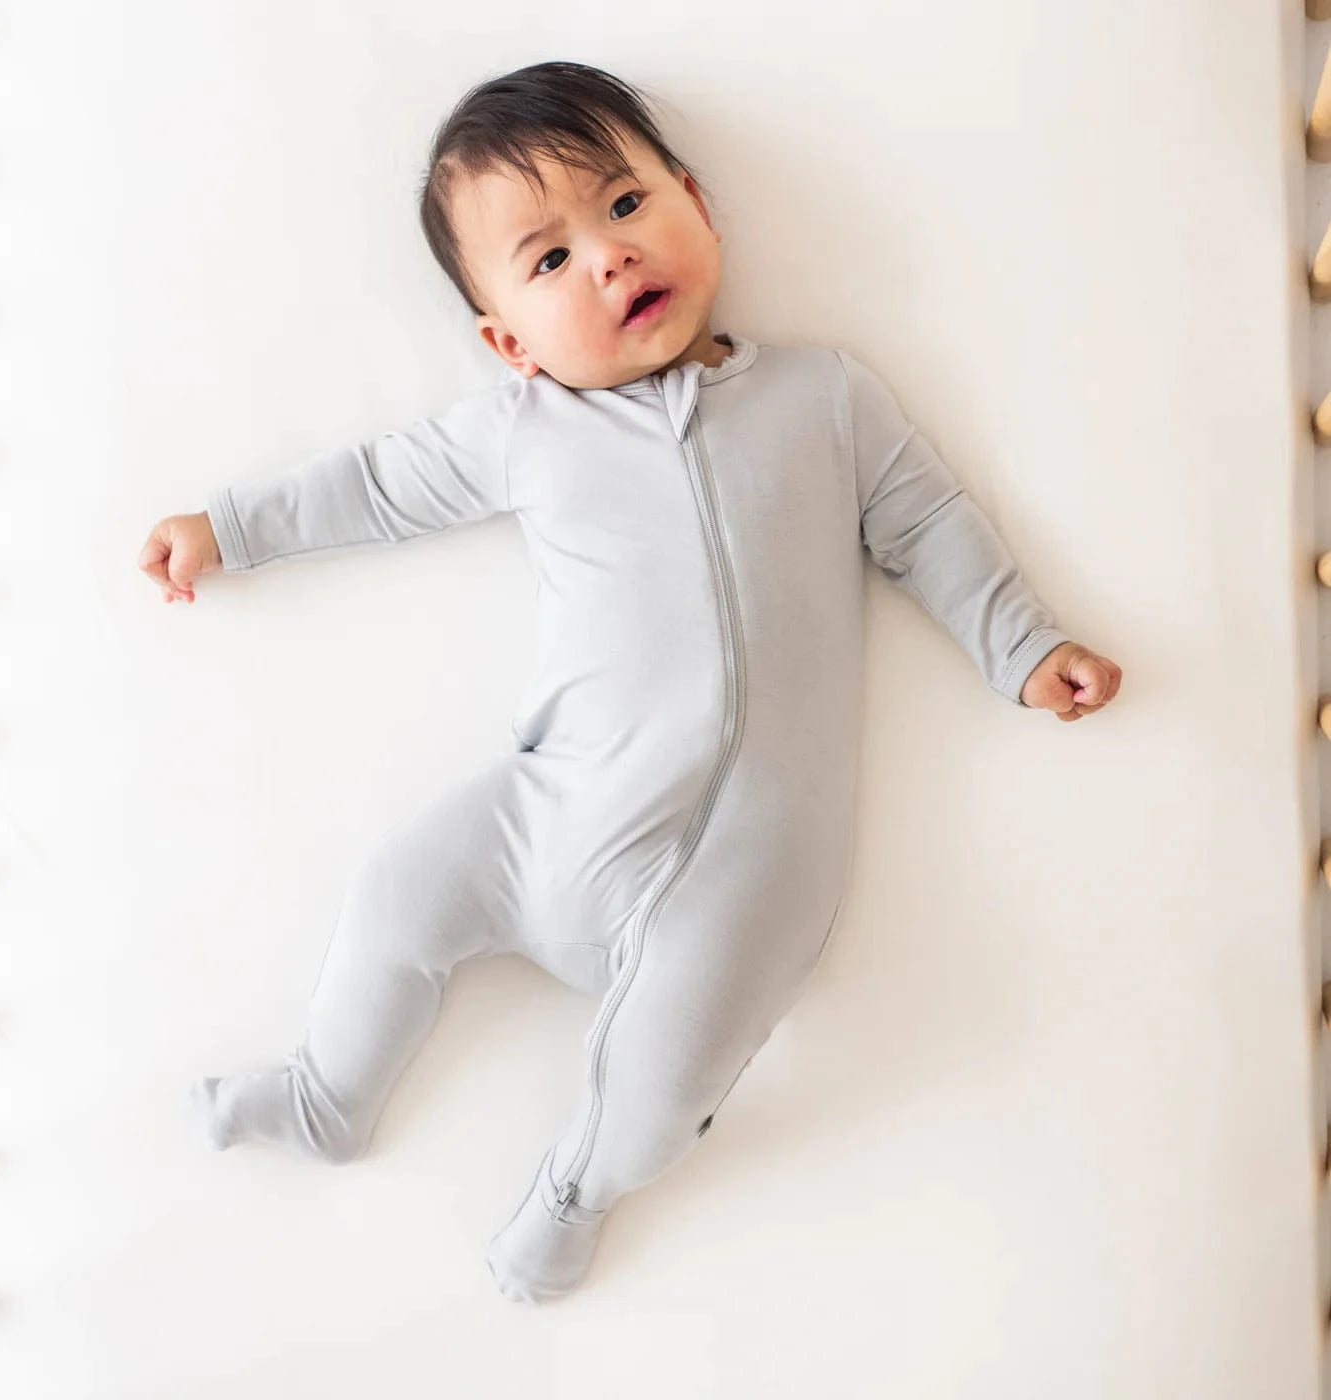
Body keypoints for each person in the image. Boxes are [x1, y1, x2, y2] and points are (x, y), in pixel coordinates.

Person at [136, 59, 1122, 1303]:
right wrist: (229, 526)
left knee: (662, 1086)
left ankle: (573, 1189)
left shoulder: (824, 396)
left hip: (748, 874)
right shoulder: (525, 429)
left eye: (620, 205)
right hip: (548, 813)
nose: (604, 258)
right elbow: (377, 486)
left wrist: (1023, 646)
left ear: (696, 205)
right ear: (508, 343)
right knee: (396, 891)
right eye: (545, 261)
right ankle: (328, 1089)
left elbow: (927, 525)